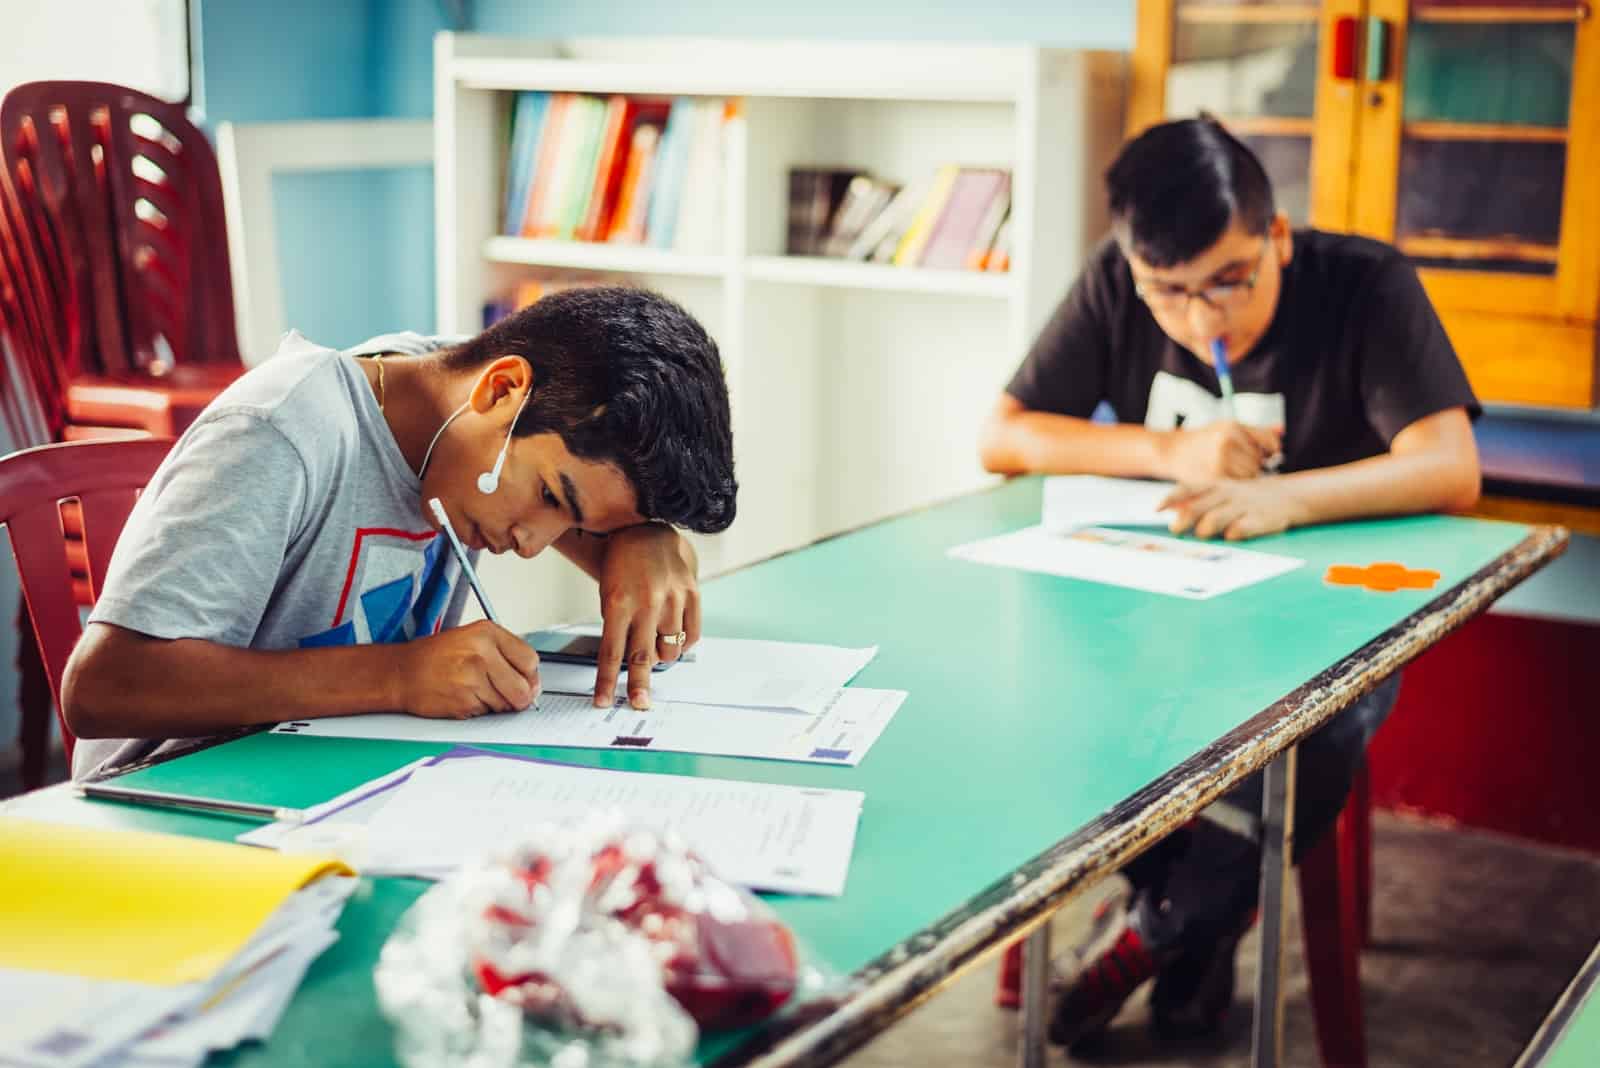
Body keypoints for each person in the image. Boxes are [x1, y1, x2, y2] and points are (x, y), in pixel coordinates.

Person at [979, 117, 1480, 1049]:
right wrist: (1168, 450)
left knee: (1306, 727)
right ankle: (1188, 940)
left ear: (1276, 237)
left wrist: (1286, 501)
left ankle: (1158, 932)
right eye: (1168, 293)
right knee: (1076, 693)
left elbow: (1450, 465)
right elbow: (1005, 436)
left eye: (1230, 282)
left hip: (1335, 615)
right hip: (1160, 602)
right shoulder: (1115, 281)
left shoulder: (1364, 285)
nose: (1202, 320)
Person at [62, 285, 737, 781]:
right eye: (550, 498)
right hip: (171, 802)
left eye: (575, 525)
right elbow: (102, 688)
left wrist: (643, 535)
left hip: (337, 789)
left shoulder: (455, 392)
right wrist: (396, 675)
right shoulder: (280, 434)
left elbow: (578, 473)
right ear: (500, 391)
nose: (536, 544)